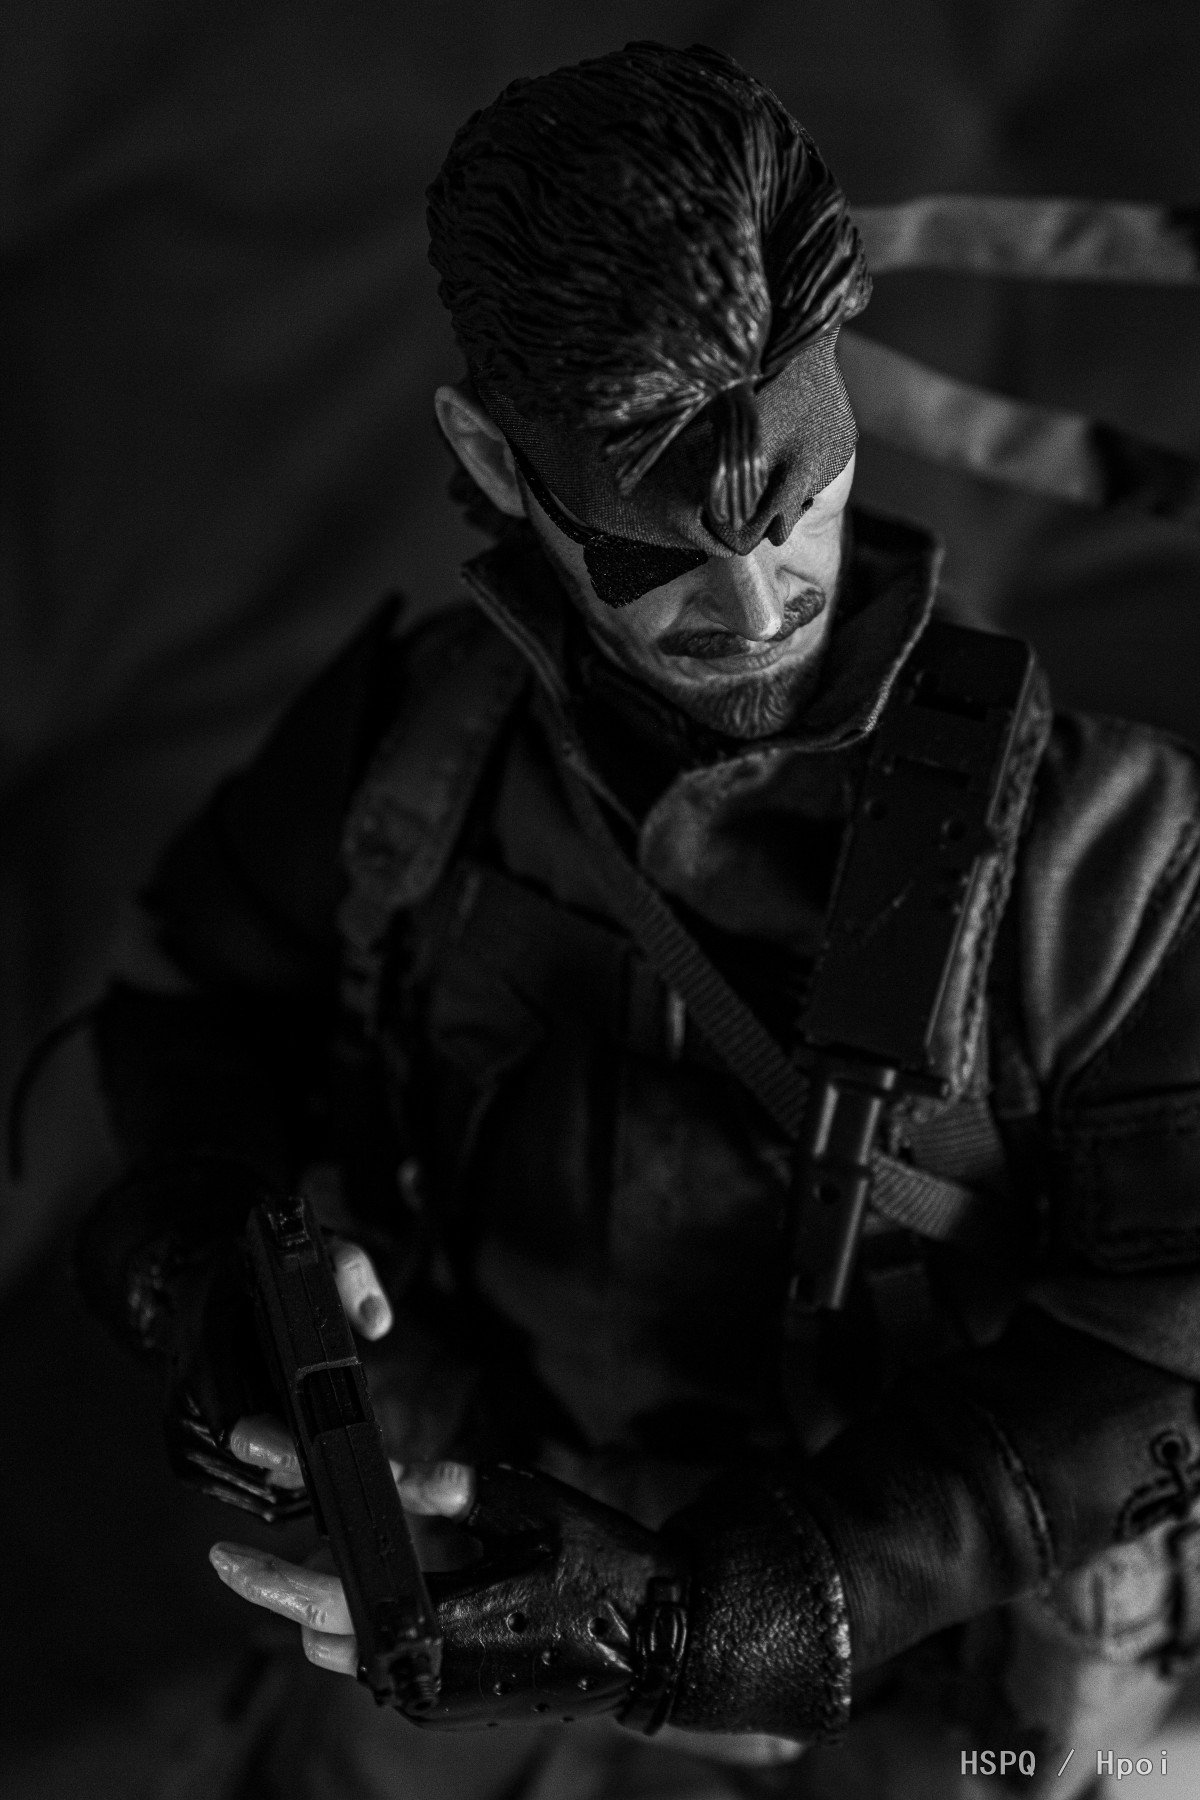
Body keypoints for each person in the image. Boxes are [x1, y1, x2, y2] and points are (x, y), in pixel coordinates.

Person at [75, 41, 1200, 1799]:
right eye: (654, 549)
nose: (756, 603)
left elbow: (1169, 1342)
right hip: (465, 1558)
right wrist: (209, 1258)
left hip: (928, 1676)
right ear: (492, 458)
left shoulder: (1103, 853)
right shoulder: (411, 750)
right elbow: (192, 995)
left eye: (803, 502)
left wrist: (755, 1611)